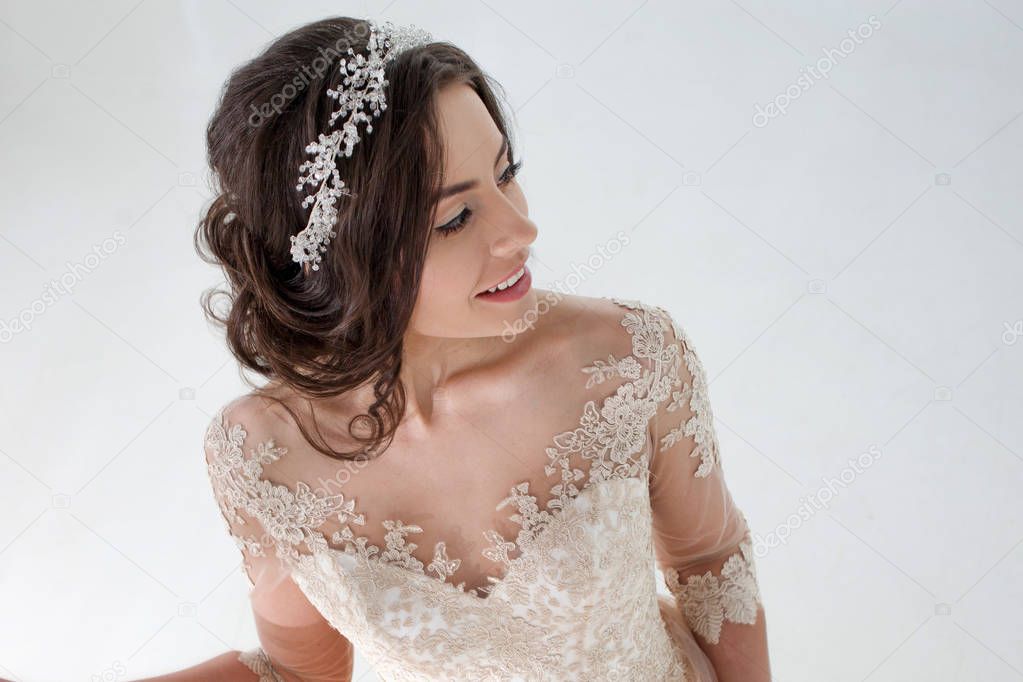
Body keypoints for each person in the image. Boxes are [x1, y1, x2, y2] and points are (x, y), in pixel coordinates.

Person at [142, 16, 771, 681]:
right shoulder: (258, 454)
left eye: (506, 173)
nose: (521, 230)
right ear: (342, 258)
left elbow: (710, 559)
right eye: (456, 218)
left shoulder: (624, 357)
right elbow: (298, 673)